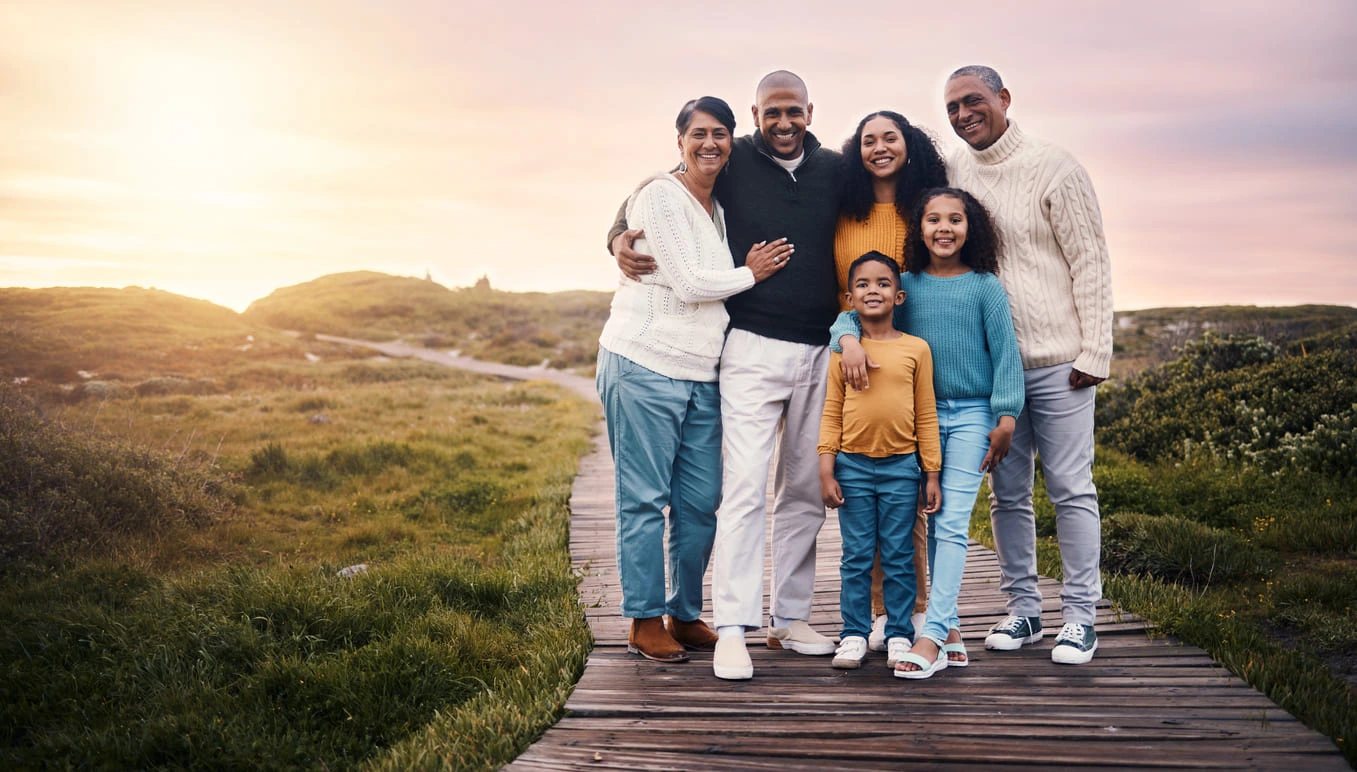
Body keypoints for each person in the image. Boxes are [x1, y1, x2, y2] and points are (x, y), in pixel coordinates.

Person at [610, 71, 842, 680]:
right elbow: (654, 196)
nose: (784, 122)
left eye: (794, 111)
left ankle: (781, 620)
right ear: (756, 115)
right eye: (772, 112)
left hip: (807, 352)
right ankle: (724, 624)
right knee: (736, 491)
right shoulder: (732, 158)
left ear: (810, 112)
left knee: (785, 494)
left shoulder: (834, 169)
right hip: (731, 350)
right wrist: (615, 238)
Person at [596, 96, 793, 664]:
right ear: (679, 139)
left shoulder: (720, 204)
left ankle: (684, 614)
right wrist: (749, 274)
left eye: (721, 134)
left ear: (734, 140)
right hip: (644, 364)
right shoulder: (660, 193)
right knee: (643, 499)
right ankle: (643, 618)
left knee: (701, 501)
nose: (711, 143)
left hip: (703, 374)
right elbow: (685, 282)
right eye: (699, 133)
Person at [942, 65, 1114, 665]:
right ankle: (1023, 612)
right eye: (953, 107)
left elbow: (1090, 260)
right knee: (1007, 495)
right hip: (994, 369)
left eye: (974, 101)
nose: (964, 115)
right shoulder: (956, 168)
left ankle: (1080, 617)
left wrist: (1096, 351)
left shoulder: (1055, 167)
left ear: (1003, 99)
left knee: (1070, 488)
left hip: (1061, 362)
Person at [831, 188, 1024, 678]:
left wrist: (1006, 416)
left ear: (970, 227)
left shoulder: (985, 286)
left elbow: (1005, 355)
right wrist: (848, 340)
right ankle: (950, 624)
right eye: (933, 219)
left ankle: (933, 634)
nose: (944, 228)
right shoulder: (907, 284)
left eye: (955, 219)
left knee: (951, 521)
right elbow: (851, 314)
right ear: (918, 228)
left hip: (973, 414)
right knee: (925, 520)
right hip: (919, 416)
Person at [834, 110, 948, 654]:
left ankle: (915, 616)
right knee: (863, 525)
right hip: (857, 353)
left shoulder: (925, 208)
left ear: (910, 145)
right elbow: (843, 294)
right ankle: (873, 620)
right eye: (868, 140)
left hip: (915, 354)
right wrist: (847, 336)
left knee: (908, 512)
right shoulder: (844, 208)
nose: (879, 148)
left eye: (890, 138)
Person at [818, 251, 941, 671]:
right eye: (864, 284)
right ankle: (853, 632)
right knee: (855, 555)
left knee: (898, 554)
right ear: (849, 298)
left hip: (901, 469)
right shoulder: (842, 352)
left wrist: (931, 473)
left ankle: (899, 633)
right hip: (852, 467)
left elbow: (926, 412)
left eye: (884, 283)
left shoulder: (916, 350)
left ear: (899, 296)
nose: (874, 290)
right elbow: (832, 410)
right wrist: (826, 467)